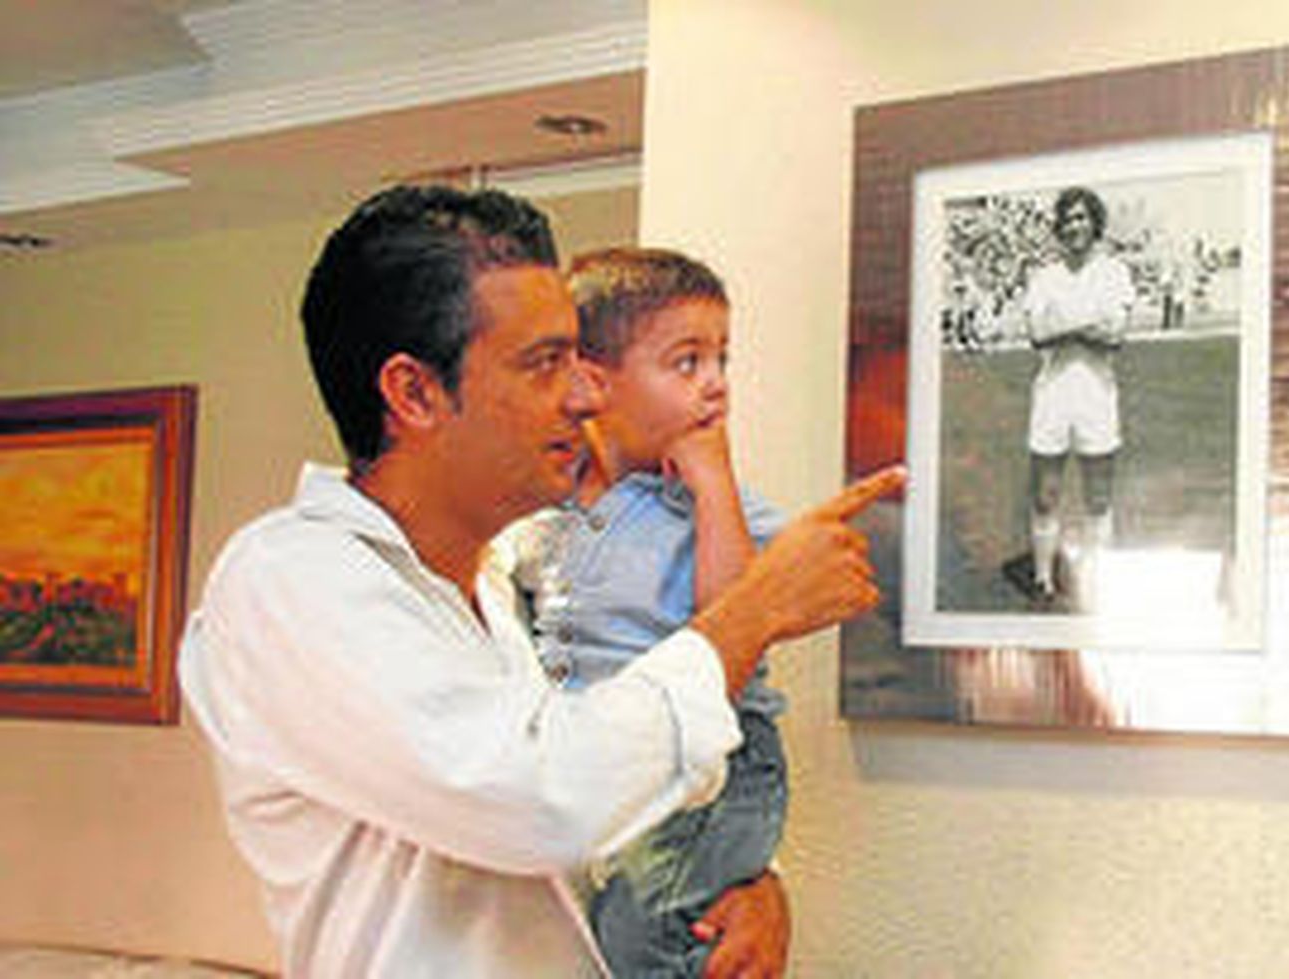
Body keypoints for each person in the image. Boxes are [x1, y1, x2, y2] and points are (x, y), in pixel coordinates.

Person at [178, 185, 903, 978]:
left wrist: (739, 883)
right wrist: (753, 612)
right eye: (547, 362)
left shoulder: (496, 584)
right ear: (414, 393)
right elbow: (541, 799)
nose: (589, 394)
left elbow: (594, 792)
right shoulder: (291, 579)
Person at [500, 247, 788, 977]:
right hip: (603, 770)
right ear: (594, 381)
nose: (717, 383)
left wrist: (713, 484)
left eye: (723, 358)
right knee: (617, 924)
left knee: (640, 930)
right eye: (687, 362)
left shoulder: (718, 510)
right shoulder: (543, 510)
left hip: (716, 764)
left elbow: (738, 623)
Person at [1020, 186, 1135, 611]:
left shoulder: (1115, 273)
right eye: (1068, 219)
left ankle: (1096, 579)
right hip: (1052, 397)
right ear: (1059, 227)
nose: (1075, 227)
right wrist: (1088, 326)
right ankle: (1043, 579)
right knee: (1045, 494)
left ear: (1095, 224)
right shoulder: (1043, 277)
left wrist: (1065, 325)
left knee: (1098, 495)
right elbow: (1037, 335)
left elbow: (1116, 337)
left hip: (1097, 396)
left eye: (1083, 218)